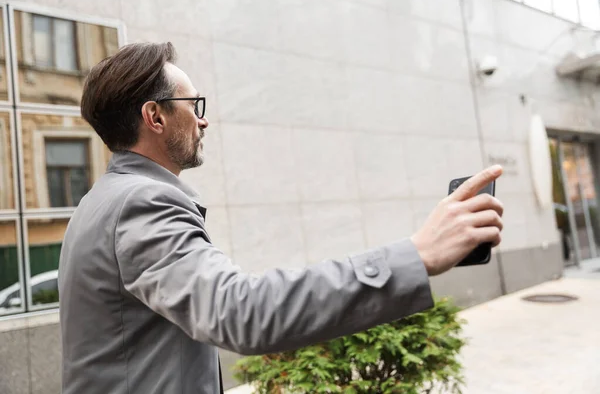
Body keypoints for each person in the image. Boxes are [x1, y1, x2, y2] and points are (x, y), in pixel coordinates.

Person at [58, 42, 504, 394]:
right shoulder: (142, 203)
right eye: (193, 103)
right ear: (154, 116)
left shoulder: (102, 201)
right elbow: (241, 311)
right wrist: (417, 254)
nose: (203, 121)